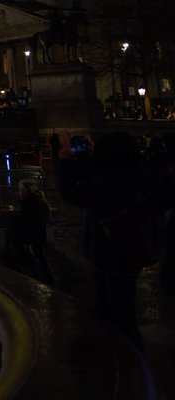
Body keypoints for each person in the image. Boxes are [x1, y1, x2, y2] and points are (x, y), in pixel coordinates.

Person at [58, 131, 165, 349]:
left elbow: (71, 193)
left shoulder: (108, 185)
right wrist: (88, 156)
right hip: (130, 255)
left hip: (112, 256)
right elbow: (96, 178)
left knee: (118, 315)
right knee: (119, 308)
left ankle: (132, 365)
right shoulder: (136, 175)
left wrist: (67, 162)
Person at [5, 179, 54, 282]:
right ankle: (47, 275)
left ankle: (31, 264)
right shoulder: (37, 200)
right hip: (38, 233)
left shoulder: (28, 203)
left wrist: (14, 220)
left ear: (27, 191)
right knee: (39, 253)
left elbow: (26, 220)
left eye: (21, 190)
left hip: (32, 233)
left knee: (14, 239)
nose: (19, 193)